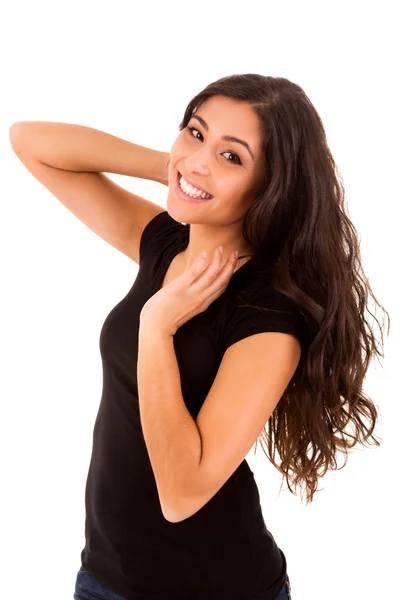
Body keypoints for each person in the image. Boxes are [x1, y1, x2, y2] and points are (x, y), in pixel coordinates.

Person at [10, 73, 389, 600]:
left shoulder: (268, 317)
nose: (201, 158)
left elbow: (182, 495)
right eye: (195, 132)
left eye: (232, 157)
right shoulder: (166, 243)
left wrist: (157, 326)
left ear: (271, 188)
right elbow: (30, 141)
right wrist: (176, 171)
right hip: (103, 578)